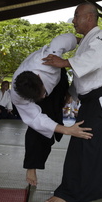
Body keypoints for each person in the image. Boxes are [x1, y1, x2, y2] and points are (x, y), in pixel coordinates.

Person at [43, 2, 102, 202]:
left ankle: (72, 191)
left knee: (84, 140)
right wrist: (71, 93)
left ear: (89, 17)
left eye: (76, 16)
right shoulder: (87, 42)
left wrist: (64, 62)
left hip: (101, 99)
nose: (73, 21)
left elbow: (94, 60)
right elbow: (85, 75)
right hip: (93, 99)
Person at [11, 33, 93, 186]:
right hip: (33, 92)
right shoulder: (18, 96)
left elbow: (62, 40)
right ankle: (32, 166)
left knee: (55, 115)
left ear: (40, 78)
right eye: (41, 97)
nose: (44, 96)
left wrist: (81, 40)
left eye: (43, 93)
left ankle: (61, 99)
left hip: (57, 75)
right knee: (38, 130)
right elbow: (36, 119)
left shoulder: (46, 60)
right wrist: (67, 130)